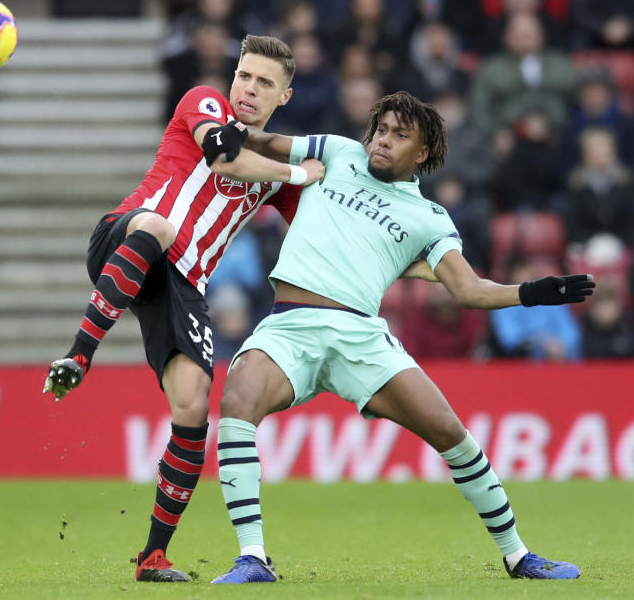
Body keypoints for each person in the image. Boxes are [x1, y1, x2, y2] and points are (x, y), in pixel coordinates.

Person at [210, 91, 594, 583]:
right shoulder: (338, 150)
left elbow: (469, 289)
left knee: (452, 435)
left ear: (424, 152)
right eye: (381, 130)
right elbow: (265, 140)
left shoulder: (430, 219)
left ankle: (518, 555)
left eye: (399, 135)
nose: (383, 141)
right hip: (289, 324)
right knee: (237, 401)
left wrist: (533, 292)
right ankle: (252, 557)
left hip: (361, 337)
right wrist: (228, 132)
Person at [42, 35, 327, 583]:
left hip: (181, 283)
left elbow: (321, 231)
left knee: (194, 407)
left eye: (264, 83)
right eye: (245, 75)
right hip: (125, 238)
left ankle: (153, 557)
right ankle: (79, 356)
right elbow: (225, 156)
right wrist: (297, 172)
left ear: (283, 97)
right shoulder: (203, 102)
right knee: (160, 224)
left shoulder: (272, 166)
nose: (248, 88)